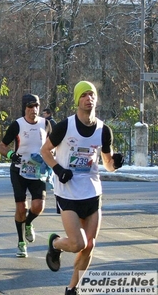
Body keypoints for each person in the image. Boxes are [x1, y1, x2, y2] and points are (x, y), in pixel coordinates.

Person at [40, 81, 124, 295]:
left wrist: (115, 163)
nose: (89, 98)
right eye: (84, 95)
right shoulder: (65, 126)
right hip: (67, 190)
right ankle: (56, 244)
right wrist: (58, 169)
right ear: (77, 100)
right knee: (78, 243)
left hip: (92, 192)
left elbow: (107, 163)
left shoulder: (104, 130)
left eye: (92, 94)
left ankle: (72, 288)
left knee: (90, 245)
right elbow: (45, 151)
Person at [0, 94, 52, 258]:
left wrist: (50, 158)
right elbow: (1, 146)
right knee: (21, 208)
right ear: (24, 108)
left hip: (37, 171)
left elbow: (54, 145)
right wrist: (10, 155)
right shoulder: (17, 125)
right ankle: (21, 243)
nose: (33, 110)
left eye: (36, 106)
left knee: (38, 207)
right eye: (30, 107)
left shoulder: (46, 124)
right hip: (19, 170)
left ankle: (28, 223)